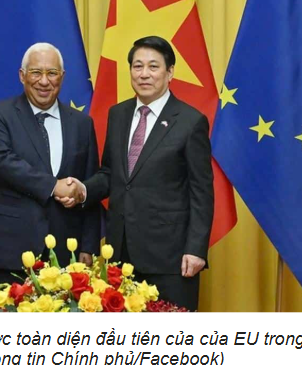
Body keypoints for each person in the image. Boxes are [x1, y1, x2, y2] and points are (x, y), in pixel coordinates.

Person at [59, 36, 214, 310]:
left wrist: (196, 249)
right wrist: (82, 190)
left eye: (153, 66)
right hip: (121, 253)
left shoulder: (190, 122)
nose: (144, 74)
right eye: (137, 66)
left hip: (171, 257)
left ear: (170, 72)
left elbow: (201, 191)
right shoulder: (118, 114)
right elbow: (111, 174)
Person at [0, 42, 100, 301]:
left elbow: (89, 185)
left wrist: (88, 246)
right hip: (12, 248)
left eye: (52, 73)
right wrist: (53, 186)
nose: (44, 81)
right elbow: (0, 161)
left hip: (67, 252)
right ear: (22, 75)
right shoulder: (0, 114)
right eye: (36, 72)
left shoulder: (82, 123)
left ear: (62, 77)